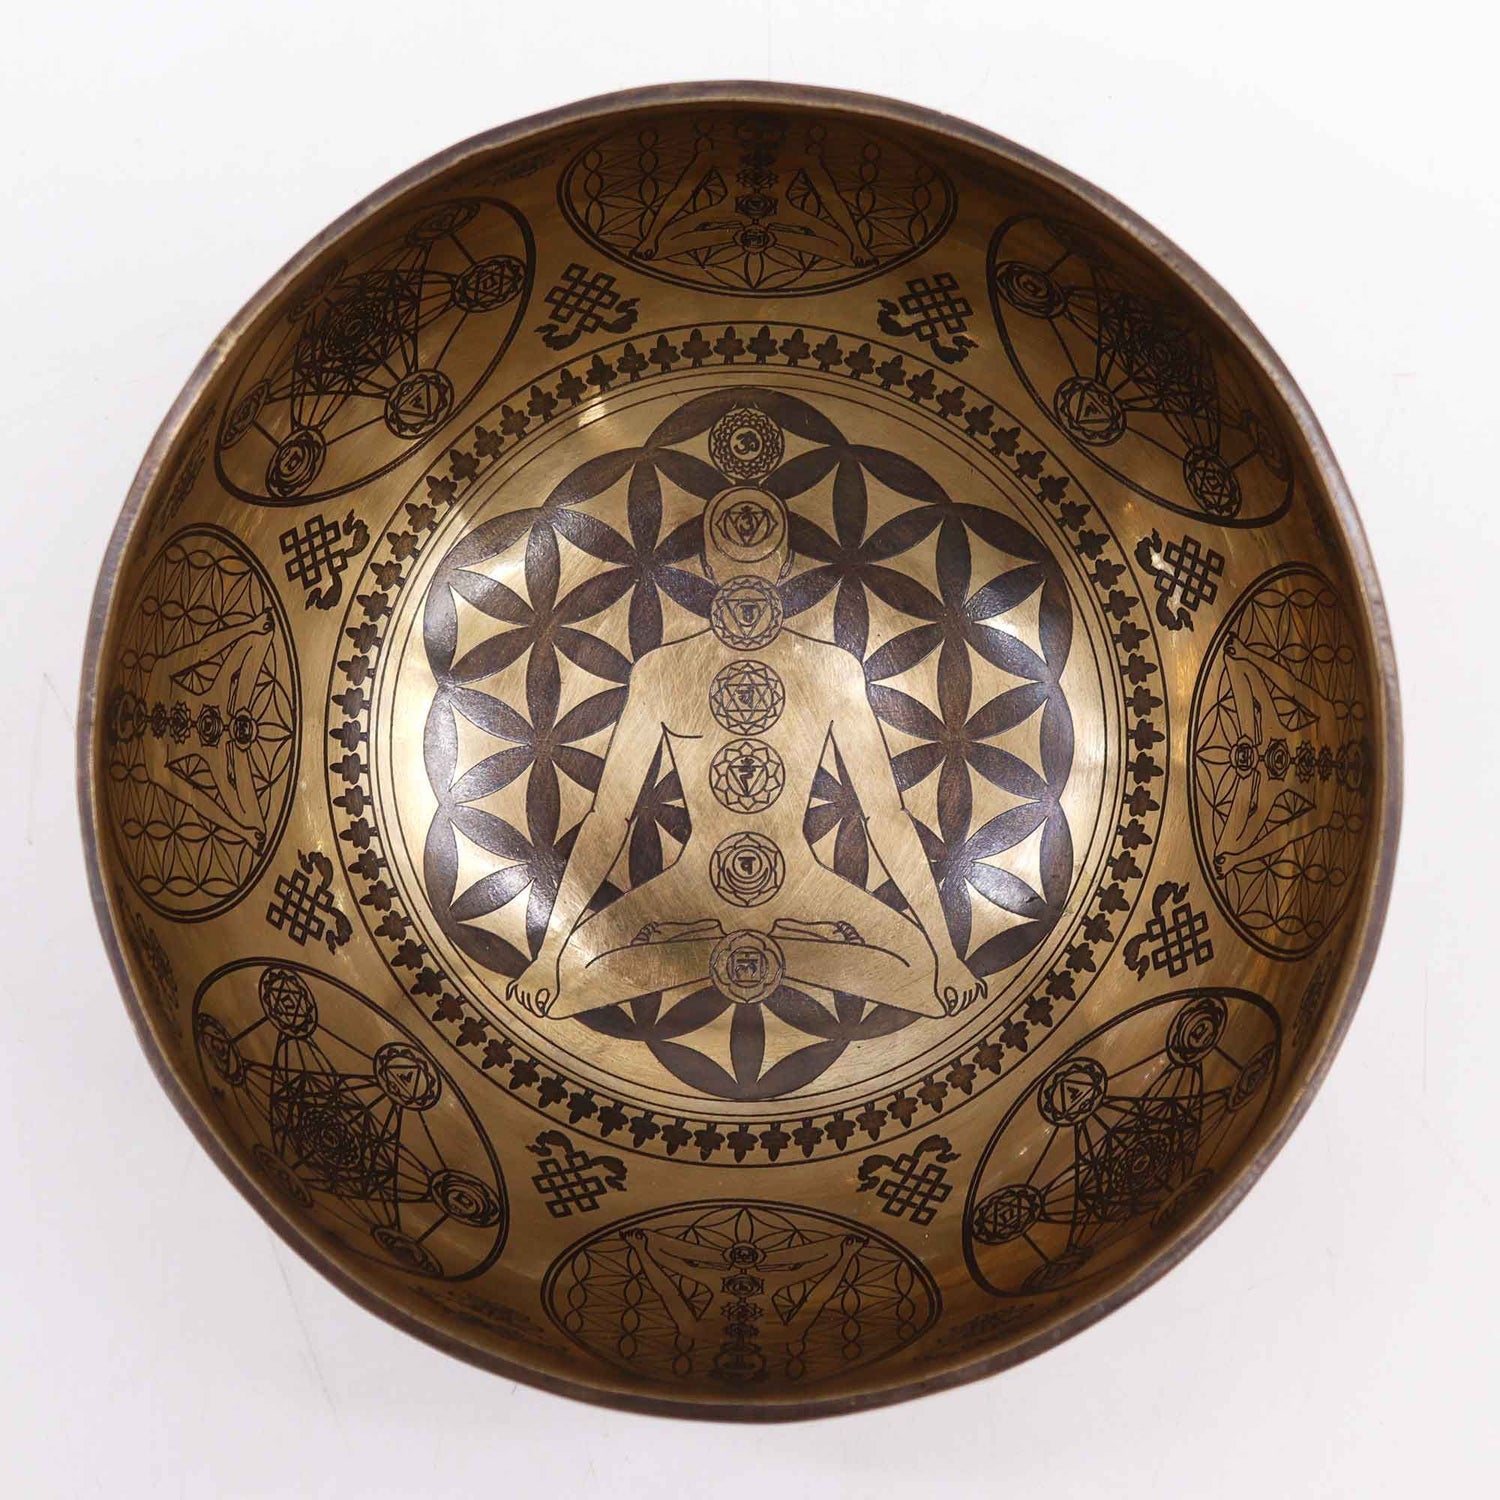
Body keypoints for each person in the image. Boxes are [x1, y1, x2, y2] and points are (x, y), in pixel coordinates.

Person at [507, 474, 985, 1021]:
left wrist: (946, 955)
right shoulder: (660, 672)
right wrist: (550, 956)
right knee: (568, 987)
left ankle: (720, 960)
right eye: (732, 557)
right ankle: (765, 959)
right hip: (687, 889)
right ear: (710, 567)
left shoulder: (834, 669)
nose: (746, 574)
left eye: (759, 555)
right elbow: (607, 819)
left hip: (805, 888)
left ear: (783, 566)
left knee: (925, 980)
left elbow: (886, 815)